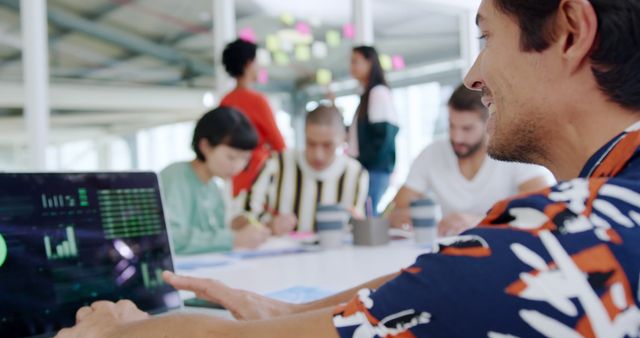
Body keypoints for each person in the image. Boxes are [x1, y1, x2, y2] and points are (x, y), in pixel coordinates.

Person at [56, 0, 640, 336]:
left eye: (486, 36)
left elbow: (465, 274)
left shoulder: (559, 242)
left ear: (569, 31)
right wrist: (287, 310)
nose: (472, 75)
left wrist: (119, 332)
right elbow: (438, 276)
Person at [388, 84, 554, 236]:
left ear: (488, 123)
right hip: (451, 249)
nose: (456, 137)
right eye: (451, 125)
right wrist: (399, 217)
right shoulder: (432, 154)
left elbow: (544, 207)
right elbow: (400, 206)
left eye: (467, 129)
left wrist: (480, 221)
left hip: (503, 245)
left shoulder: (513, 152)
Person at [237, 105, 369, 235]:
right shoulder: (277, 163)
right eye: (311, 143)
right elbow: (244, 215)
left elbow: (357, 224)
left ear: (343, 138)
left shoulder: (356, 173)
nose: (318, 155)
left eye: (327, 145)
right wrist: (269, 225)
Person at [159, 107, 270, 255]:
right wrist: (233, 238)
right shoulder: (175, 177)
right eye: (231, 157)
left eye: (245, 159)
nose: (238, 166)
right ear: (205, 146)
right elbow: (170, 238)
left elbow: (209, 235)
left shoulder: (213, 187)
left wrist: (233, 227)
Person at [219, 38, 287, 197]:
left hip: (235, 174)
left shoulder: (225, 100)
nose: (259, 66)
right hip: (259, 173)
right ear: (248, 63)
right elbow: (279, 144)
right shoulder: (257, 101)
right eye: (257, 61)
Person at [348, 46, 399, 216]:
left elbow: (383, 136)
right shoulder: (368, 94)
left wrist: (363, 163)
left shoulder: (378, 93)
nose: (352, 67)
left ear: (370, 63)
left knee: (368, 217)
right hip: (370, 169)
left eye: (356, 61)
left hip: (374, 170)